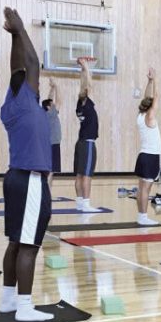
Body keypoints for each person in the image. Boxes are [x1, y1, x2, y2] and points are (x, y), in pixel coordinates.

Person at [0, 7, 54, 322]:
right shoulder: (24, 100)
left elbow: (18, 67)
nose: (36, 84)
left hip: (14, 178)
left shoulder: (11, 104)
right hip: (30, 180)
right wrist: (21, 29)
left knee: (15, 243)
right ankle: (24, 307)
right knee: (29, 246)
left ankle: (8, 299)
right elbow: (30, 64)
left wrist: (14, 37)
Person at [134, 68, 161, 226]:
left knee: (141, 188)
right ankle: (143, 217)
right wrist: (155, 80)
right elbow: (155, 97)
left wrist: (149, 81)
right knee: (146, 189)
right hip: (150, 156)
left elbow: (148, 98)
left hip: (144, 155)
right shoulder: (149, 117)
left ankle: (141, 216)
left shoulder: (140, 116)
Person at [74, 57, 100, 212]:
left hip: (80, 142)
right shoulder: (86, 104)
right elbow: (88, 85)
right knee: (87, 175)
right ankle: (86, 204)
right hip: (88, 143)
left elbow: (84, 86)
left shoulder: (79, 104)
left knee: (79, 174)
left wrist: (83, 71)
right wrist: (86, 67)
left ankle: (79, 202)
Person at [42, 77, 62, 189]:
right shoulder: (52, 113)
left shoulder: (45, 112)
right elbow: (59, 101)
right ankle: (47, 193)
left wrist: (52, 88)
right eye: (52, 104)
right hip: (53, 145)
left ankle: (44, 192)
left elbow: (49, 99)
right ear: (49, 107)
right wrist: (57, 86)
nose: (54, 104)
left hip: (46, 145)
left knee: (47, 170)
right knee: (50, 171)